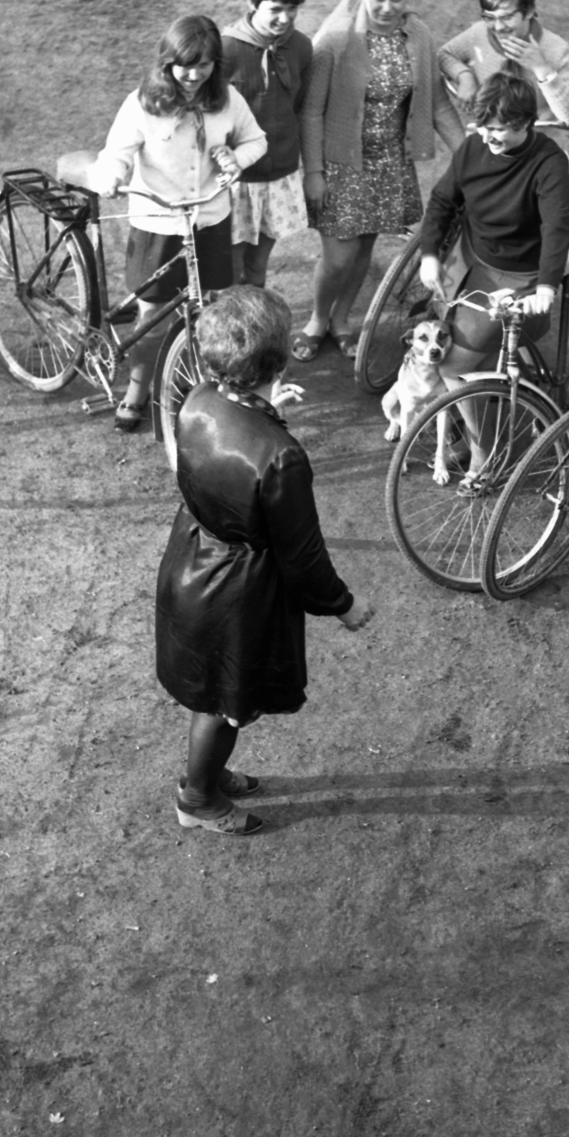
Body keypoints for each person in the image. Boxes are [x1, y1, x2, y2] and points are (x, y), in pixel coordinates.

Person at [156, 287, 374, 835]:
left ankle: (206, 775)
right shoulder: (281, 457)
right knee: (228, 702)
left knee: (210, 691)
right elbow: (302, 556)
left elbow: (234, 435)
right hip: (238, 594)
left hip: (192, 562)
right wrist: (343, 605)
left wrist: (267, 410)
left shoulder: (199, 398)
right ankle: (198, 798)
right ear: (275, 360)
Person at [85, 15, 268, 432]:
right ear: (167, 63)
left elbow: (256, 140)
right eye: (185, 65)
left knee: (213, 307)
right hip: (158, 224)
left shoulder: (227, 100)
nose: (193, 75)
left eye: (204, 66)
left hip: (209, 220)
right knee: (152, 314)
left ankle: (206, 386)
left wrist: (234, 160)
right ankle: (138, 388)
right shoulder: (142, 104)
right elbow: (116, 151)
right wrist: (112, 175)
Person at [293, 0, 465, 362]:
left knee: (364, 248)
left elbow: (438, 103)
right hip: (340, 163)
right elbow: (311, 110)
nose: (388, 8)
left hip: (389, 162)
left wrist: (471, 155)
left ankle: (342, 321)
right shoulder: (335, 41)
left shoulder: (418, 36)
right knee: (338, 257)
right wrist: (314, 173)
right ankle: (317, 319)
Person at [417, 74, 569, 380]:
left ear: (526, 123)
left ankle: (481, 430)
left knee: (450, 366)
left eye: (497, 129)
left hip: (517, 274)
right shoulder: (472, 148)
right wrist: (429, 254)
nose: (486, 138)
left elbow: (557, 227)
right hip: (469, 256)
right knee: (448, 327)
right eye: (482, 126)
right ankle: (485, 385)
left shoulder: (549, 163)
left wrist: (545, 287)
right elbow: (442, 201)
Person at [220, 0, 314, 290]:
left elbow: (301, 108)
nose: (285, 18)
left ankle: (257, 333)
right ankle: (228, 334)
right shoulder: (226, 49)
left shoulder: (300, 47)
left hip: (280, 175)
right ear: (252, 3)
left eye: (292, 9)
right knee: (229, 266)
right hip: (237, 179)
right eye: (275, 8)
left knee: (258, 266)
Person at [437, 0, 569, 132]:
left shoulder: (555, 48)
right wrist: (464, 76)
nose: (498, 27)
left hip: (536, 149)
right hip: (488, 144)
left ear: (528, 12)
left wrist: (542, 68)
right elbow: (444, 55)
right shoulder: (477, 35)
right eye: (489, 18)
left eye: (507, 17)